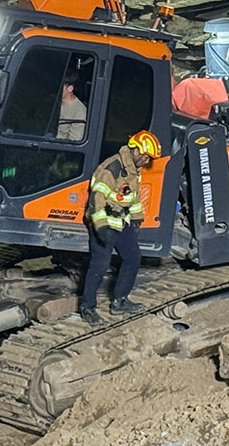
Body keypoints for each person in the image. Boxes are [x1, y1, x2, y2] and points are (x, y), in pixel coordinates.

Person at [79, 130, 161, 324]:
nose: (147, 162)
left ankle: (120, 301)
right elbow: (97, 198)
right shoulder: (112, 168)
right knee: (99, 265)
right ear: (137, 151)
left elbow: (133, 196)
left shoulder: (134, 170)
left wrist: (137, 218)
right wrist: (101, 227)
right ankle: (87, 307)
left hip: (122, 222)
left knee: (133, 258)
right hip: (104, 222)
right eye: (146, 157)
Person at [56, 71, 87, 141]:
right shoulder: (52, 101)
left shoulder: (79, 110)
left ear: (70, 88)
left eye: (60, 85)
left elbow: (74, 140)